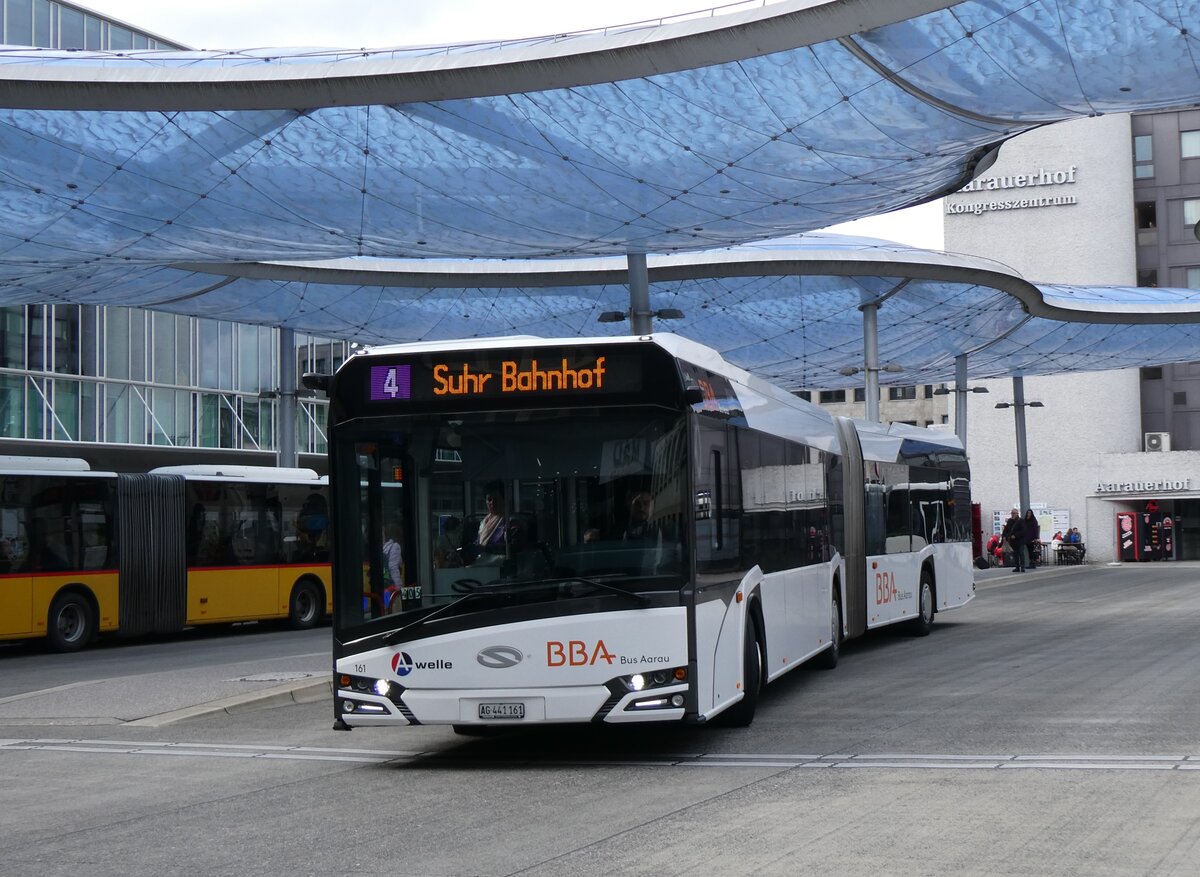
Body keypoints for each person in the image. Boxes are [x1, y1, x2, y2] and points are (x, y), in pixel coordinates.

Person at [470, 481, 511, 564]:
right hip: (482, 561)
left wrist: (487, 548)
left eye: (496, 499)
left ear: (503, 499)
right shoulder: (483, 522)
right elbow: (478, 543)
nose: (492, 502)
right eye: (489, 499)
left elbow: (511, 548)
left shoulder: (509, 521)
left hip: (499, 563)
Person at [382, 520, 403, 610]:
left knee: (386, 607)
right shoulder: (395, 546)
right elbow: (393, 567)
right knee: (394, 608)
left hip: (385, 584)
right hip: (392, 585)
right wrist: (398, 586)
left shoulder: (385, 546)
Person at [1001, 508, 1026, 572]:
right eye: (1012, 513)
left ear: (1017, 514)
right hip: (1012, 541)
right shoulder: (1009, 521)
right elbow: (1006, 529)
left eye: (1014, 513)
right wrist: (1004, 536)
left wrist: (1016, 535)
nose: (1013, 515)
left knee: (1021, 553)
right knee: (1015, 554)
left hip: (1020, 540)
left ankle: (1022, 567)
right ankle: (1017, 567)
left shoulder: (1021, 520)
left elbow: (1023, 530)